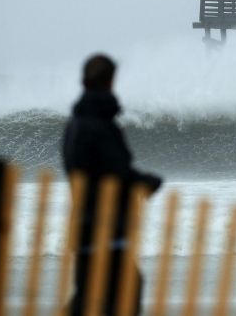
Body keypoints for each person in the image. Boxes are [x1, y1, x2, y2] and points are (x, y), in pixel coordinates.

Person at [62, 53, 162, 316]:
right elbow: (117, 173)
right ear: (109, 82)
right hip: (105, 227)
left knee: (87, 295)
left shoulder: (73, 125)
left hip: (83, 224)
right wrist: (148, 182)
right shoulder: (100, 126)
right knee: (126, 289)